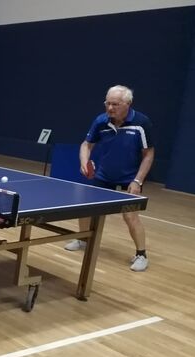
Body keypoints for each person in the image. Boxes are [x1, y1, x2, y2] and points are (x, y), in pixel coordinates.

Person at [64, 85, 154, 272]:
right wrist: (84, 161)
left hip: (130, 178)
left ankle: (141, 254)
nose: (110, 108)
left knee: (130, 216)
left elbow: (148, 154)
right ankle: (83, 239)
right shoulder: (101, 121)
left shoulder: (141, 123)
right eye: (108, 103)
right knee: (86, 208)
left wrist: (137, 181)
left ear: (128, 104)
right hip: (104, 175)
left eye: (115, 104)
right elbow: (86, 144)